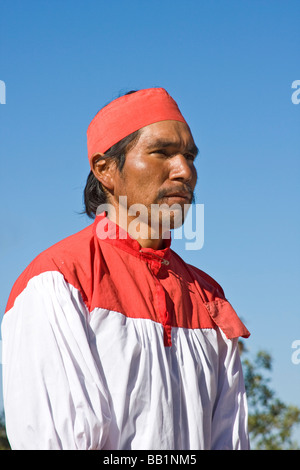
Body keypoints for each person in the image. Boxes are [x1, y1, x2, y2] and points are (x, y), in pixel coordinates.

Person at [1, 87, 250, 450]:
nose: (184, 171)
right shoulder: (57, 280)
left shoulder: (210, 299)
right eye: (162, 152)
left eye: (189, 156)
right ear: (105, 169)